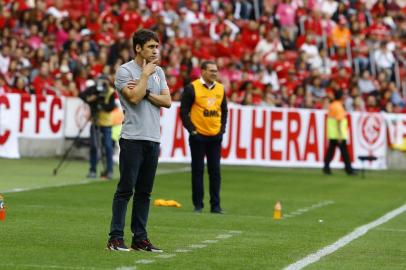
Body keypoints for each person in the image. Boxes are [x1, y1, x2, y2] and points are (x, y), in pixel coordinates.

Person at [106, 29, 171, 252]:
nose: (155, 50)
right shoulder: (125, 71)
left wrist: (147, 91)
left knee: (145, 192)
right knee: (126, 189)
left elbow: (167, 101)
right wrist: (144, 76)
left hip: (153, 138)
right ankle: (115, 238)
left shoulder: (159, 72)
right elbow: (133, 98)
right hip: (132, 138)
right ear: (138, 48)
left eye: (156, 47)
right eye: (151, 46)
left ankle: (139, 239)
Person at [180, 60, 228, 214]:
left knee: (215, 172)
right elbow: (184, 111)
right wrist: (192, 130)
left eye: (216, 71)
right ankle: (198, 205)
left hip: (215, 136)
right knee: (198, 171)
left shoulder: (220, 88)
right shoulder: (192, 88)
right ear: (203, 71)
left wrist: (222, 129)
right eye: (211, 71)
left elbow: (224, 110)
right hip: (198, 136)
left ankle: (216, 205)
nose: (214, 73)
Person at [79, 75, 116, 180]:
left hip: (106, 123)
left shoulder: (111, 92)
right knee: (94, 146)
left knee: (108, 147)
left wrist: (101, 104)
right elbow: (81, 95)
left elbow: (111, 107)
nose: (102, 85)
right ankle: (93, 170)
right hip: (95, 121)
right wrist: (91, 99)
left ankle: (109, 170)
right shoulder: (94, 90)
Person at [323, 89, 356, 175]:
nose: (345, 97)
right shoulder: (339, 107)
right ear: (341, 97)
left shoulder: (333, 105)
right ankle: (349, 169)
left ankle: (326, 167)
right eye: (344, 95)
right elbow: (339, 122)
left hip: (333, 133)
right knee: (344, 152)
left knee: (331, 151)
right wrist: (340, 136)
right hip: (338, 134)